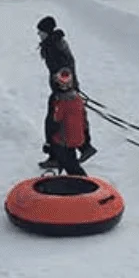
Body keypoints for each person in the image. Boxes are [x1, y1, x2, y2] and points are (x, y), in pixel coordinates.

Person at [36, 16, 94, 164]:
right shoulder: (54, 43)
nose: (38, 34)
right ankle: (81, 147)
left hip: (63, 91)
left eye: (40, 31)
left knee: (55, 123)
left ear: (47, 32)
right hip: (64, 89)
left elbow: (64, 69)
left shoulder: (54, 46)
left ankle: (63, 154)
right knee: (69, 120)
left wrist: (64, 88)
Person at [46, 68, 88, 175]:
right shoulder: (77, 98)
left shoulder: (59, 102)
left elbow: (53, 123)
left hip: (63, 141)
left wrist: (49, 142)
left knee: (73, 168)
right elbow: (84, 120)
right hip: (76, 139)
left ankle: (83, 186)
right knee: (69, 161)